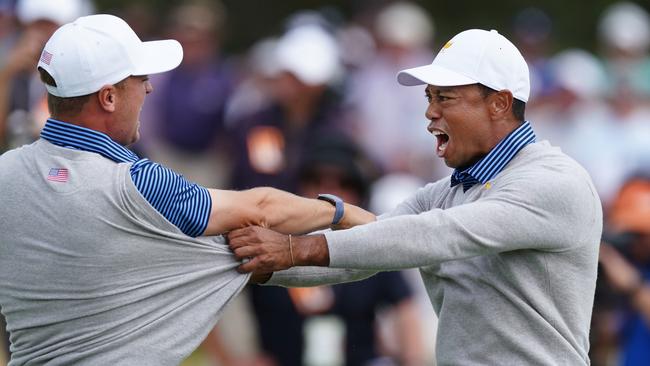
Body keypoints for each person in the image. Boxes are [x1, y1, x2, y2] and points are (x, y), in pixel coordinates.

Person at [0, 14, 373, 365]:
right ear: (109, 97)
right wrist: (341, 212)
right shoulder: (137, 183)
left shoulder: (5, 172)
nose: (148, 87)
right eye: (139, 78)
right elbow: (261, 207)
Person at [229, 29, 603, 365]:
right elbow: (365, 253)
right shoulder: (448, 192)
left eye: (445, 98)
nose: (429, 112)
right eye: (429, 97)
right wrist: (254, 265)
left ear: (499, 104)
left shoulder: (555, 182)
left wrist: (295, 247)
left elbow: (437, 235)